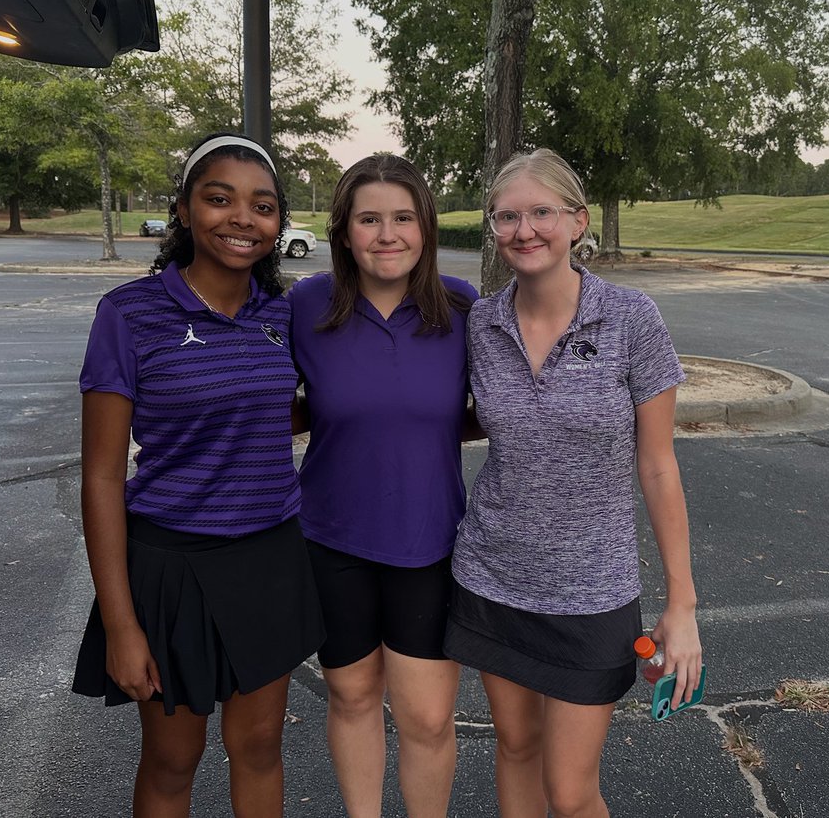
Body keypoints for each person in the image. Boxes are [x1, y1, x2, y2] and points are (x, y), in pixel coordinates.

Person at [72, 133, 324, 817]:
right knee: (172, 759)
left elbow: (288, 410)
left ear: (279, 223)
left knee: (261, 746)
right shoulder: (129, 314)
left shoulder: (282, 313)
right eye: (220, 199)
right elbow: (100, 477)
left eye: (263, 206)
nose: (243, 218)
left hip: (269, 558)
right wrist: (122, 624)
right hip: (171, 567)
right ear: (183, 210)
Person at [445, 148, 702, 818]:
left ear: (577, 221)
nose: (524, 229)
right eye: (507, 216)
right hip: (492, 575)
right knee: (516, 750)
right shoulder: (481, 322)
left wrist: (682, 607)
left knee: (571, 790)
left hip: (592, 592)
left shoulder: (629, 318)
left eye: (541, 212)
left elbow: (658, 464)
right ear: (493, 229)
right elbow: (468, 421)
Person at [287, 154, 477, 817]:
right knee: (353, 698)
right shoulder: (306, 306)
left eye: (403, 218)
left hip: (430, 542)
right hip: (331, 539)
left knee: (426, 719)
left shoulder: (462, 309)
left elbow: (504, 410)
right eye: (369, 219)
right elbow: (264, 399)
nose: (387, 234)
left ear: (425, 227)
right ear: (344, 232)